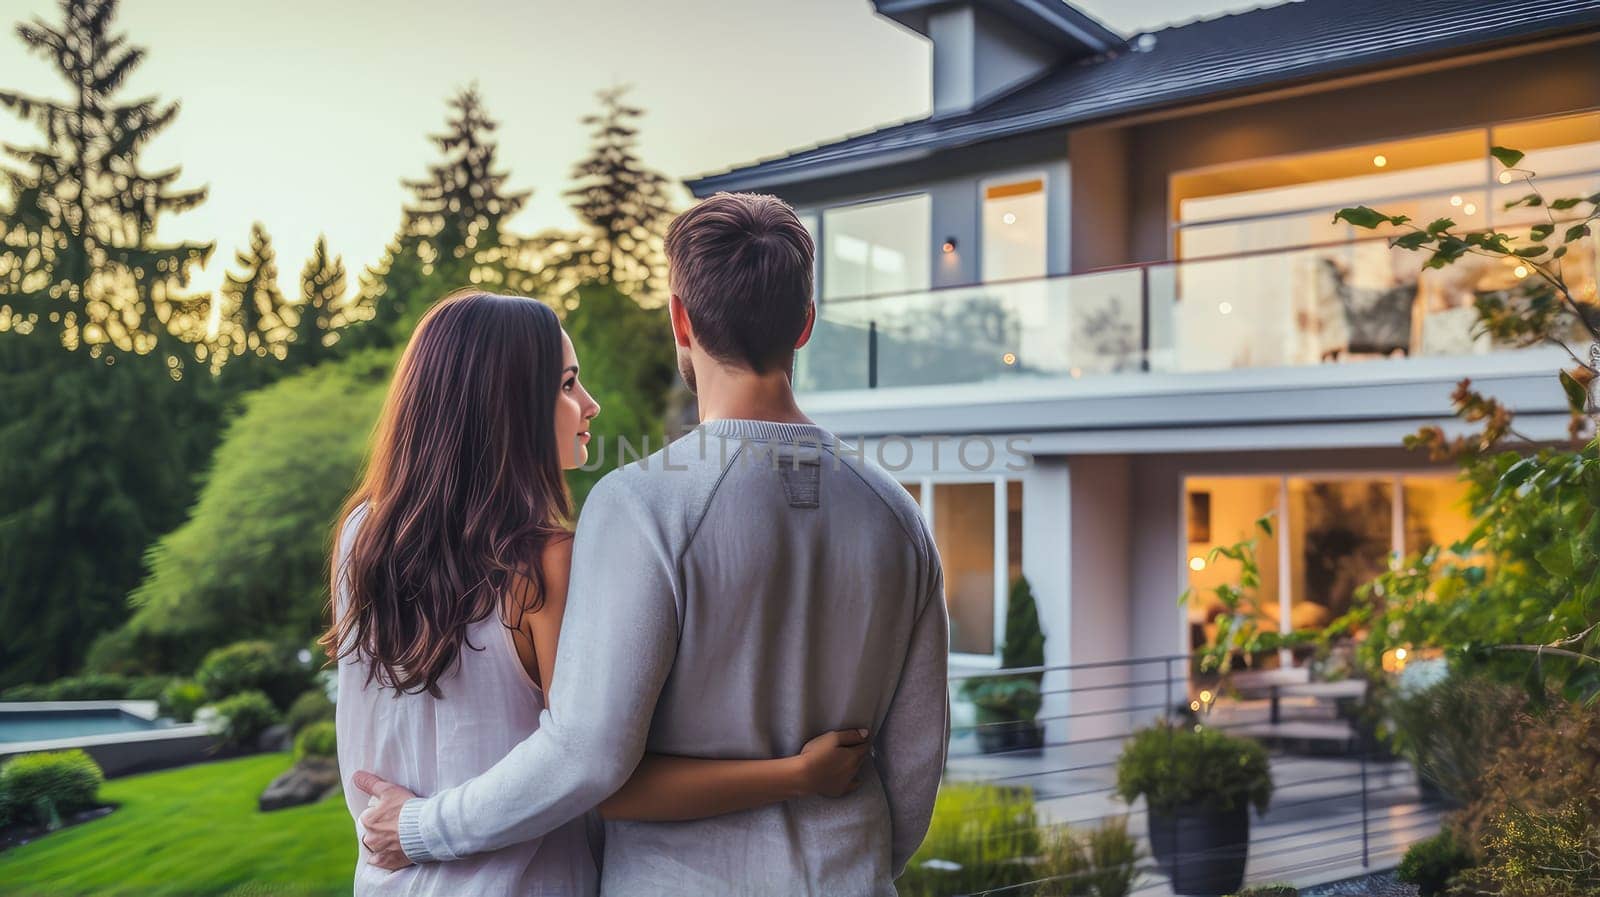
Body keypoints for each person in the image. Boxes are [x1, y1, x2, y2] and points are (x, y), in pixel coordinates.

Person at [356, 192, 951, 895]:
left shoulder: (639, 505)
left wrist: (423, 827)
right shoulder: (896, 515)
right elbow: (916, 761)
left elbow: (586, 754)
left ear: (681, 319)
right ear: (805, 325)